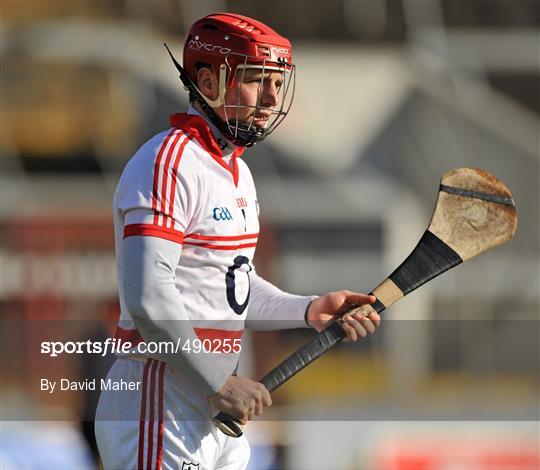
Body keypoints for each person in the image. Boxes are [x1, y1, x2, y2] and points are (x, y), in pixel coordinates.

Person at [95, 12, 380, 470]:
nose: (270, 98)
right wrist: (220, 385)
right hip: (160, 403)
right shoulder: (167, 163)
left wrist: (307, 310)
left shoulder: (237, 173)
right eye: (254, 81)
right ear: (207, 81)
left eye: (275, 82)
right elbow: (149, 301)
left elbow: (233, 287)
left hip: (211, 407)